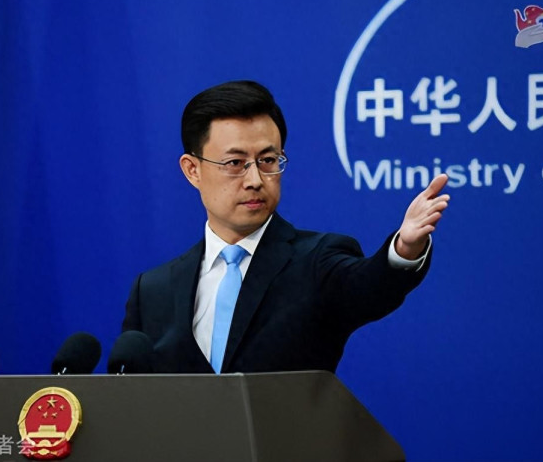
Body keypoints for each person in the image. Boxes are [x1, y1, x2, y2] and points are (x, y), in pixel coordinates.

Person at [121, 80, 449, 374]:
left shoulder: (317, 261)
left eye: (267, 160)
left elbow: (370, 285)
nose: (255, 180)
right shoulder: (153, 290)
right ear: (192, 170)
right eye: (235, 163)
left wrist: (404, 250)